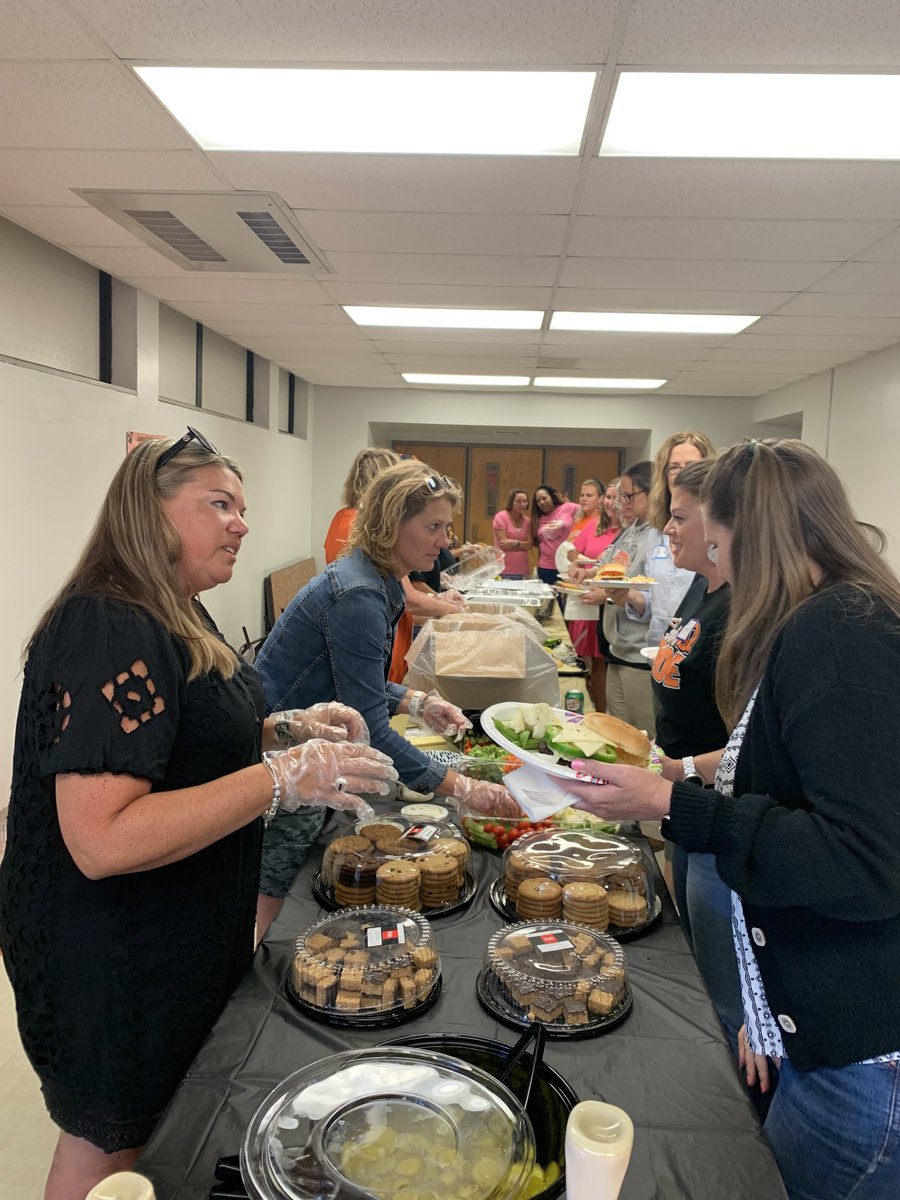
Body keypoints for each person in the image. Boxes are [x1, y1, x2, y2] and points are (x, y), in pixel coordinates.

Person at [0, 429, 397, 1200]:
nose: (242, 522)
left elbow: (181, 739)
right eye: (219, 504)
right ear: (147, 515)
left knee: (161, 1132)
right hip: (111, 953)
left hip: (176, 930)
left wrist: (285, 729)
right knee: (109, 1151)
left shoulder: (175, 608)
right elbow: (101, 838)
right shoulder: (107, 625)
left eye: (242, 507)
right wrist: (280, 778)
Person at [565, 438, 900, 1200]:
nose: (714, 564)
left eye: (716, 542)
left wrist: (674, 807)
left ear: (757, 534)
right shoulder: (830, 620)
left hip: (863, 1066)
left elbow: (861, 858)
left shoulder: (838, 634)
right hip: (826, 1034)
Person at [254, 460, 519, 935]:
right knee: (278, 886)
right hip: (281, 750)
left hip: (308, 740)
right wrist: (460, 785)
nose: (444, 541)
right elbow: (370, 724)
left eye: (446, 526)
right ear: (391, 524)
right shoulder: (358, 593)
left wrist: (415, 702)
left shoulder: (378, 578)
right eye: (432, 527)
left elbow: (358, 680)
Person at [649, 458, 741, 1053]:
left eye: (679, 517)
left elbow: (746, 742)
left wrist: (681, 769)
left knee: (723, 984)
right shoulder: (698, 585)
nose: (669, 530)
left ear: (718, 522)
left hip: (713, 811)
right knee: (692, 946)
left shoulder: (740, 607)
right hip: (682, 801)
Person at [324, 447, 463, 684]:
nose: (444, 542)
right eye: (432, 527)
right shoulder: (361, 586)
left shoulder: (343, 518)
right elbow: (408, 599)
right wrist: (449, 608)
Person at [563, 478, 619, 711]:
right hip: (588, 603)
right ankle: (595, 708)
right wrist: (576, 566)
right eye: (610, 497)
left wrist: (605, 594)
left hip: (612, 605)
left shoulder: (628, 531)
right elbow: (575, 555)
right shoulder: (594, 525)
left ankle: (605, 712)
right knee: (591, 662)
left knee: (606, 663)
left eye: (619, 497)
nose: (612, 503)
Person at [532, 484, 579, 585]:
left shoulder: (568, 507)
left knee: (565, 598)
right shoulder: (539, 518)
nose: (542, 502)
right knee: (548, 598)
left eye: (544, 498)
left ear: (552, 496)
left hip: (567, 565)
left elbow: (587, 513)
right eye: (538, 501)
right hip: (546, 566)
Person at [492, 488, 531, 579]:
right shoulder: (500, 517)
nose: (522, 504)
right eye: (518, 501)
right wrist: (522, 544)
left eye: (525, 501)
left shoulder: (528, 521)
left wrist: (514, 543)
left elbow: (530, 545)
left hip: (522, 569)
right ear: (511, 502)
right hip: (504, 568)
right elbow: (504, 544)